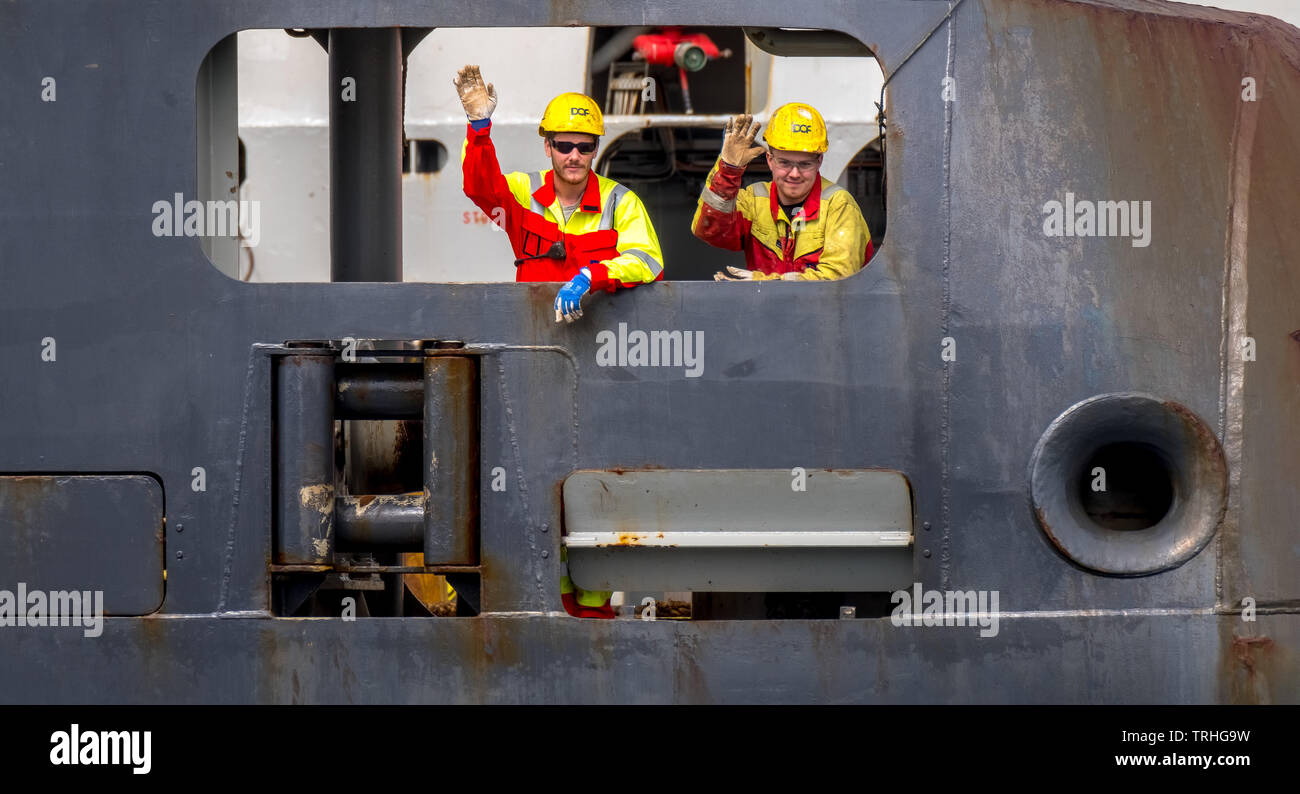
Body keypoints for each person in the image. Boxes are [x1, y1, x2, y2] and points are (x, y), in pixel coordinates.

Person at [453, 65, 664, 323]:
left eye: (584, 147)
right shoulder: (523, 191)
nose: (574, 156)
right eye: (564, 146)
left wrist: (592, 276)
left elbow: (647, 261)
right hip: (533, 335)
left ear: (596, 149)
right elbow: (479, 186)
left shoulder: (621, 202)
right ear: (547, 146)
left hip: (601, 342)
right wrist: (478, 129)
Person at [691, 103, 873, 281]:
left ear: (819, 162)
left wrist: (766, 283)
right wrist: (728, 171)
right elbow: (708, 231)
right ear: (770, 160)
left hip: (822, 312)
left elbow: (839, 279)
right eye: (784, 163)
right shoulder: (754, 201)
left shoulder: (839, 205)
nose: (794, 174)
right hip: (767, 310)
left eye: (805, 164)